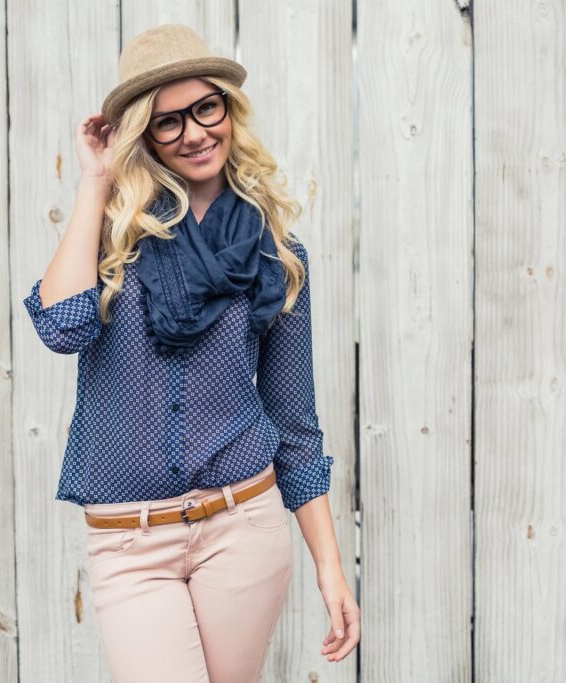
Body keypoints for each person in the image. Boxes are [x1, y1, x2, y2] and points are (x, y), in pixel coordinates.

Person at [21, 23, 360, 682]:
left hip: (244, 526)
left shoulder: (276, 254)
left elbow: (293, 424)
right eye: (168, 121)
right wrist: (95, 182)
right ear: (144, 135)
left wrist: (329, 567)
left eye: (206, 108)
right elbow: (63, 328)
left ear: (228, 111)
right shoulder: (113, 238)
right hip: (130, 541)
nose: (195, 132)